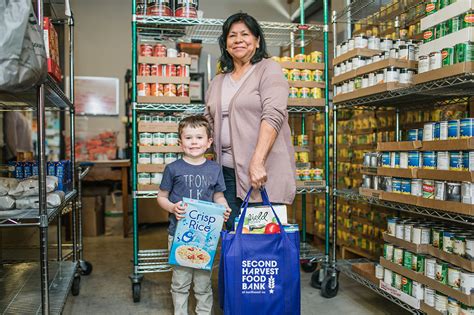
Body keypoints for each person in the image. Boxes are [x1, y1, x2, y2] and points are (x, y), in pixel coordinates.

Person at [204, 12, 296, 230]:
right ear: (225, 44)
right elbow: (208, 122)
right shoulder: (218, 81)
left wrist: (257, 161)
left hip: (261, 172)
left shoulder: (269, 69)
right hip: (226, 174)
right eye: (232, 35)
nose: (238, 40)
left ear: (256, 41)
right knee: (233, 238)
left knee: (260, 244)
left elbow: (273, 114)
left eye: (245, 34)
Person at [157, 115, 231, 315]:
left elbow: (218, 195)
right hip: (178, 234)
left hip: (206, 237)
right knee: (180, 282)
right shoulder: (173, 169)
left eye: (199, 137)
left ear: (209, 142)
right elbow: (161, 197)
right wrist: (172, 208)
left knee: (203, 283)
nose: (194, 142)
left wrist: (223, 208)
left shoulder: (215, 169)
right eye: (188, 138)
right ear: (180, 143)